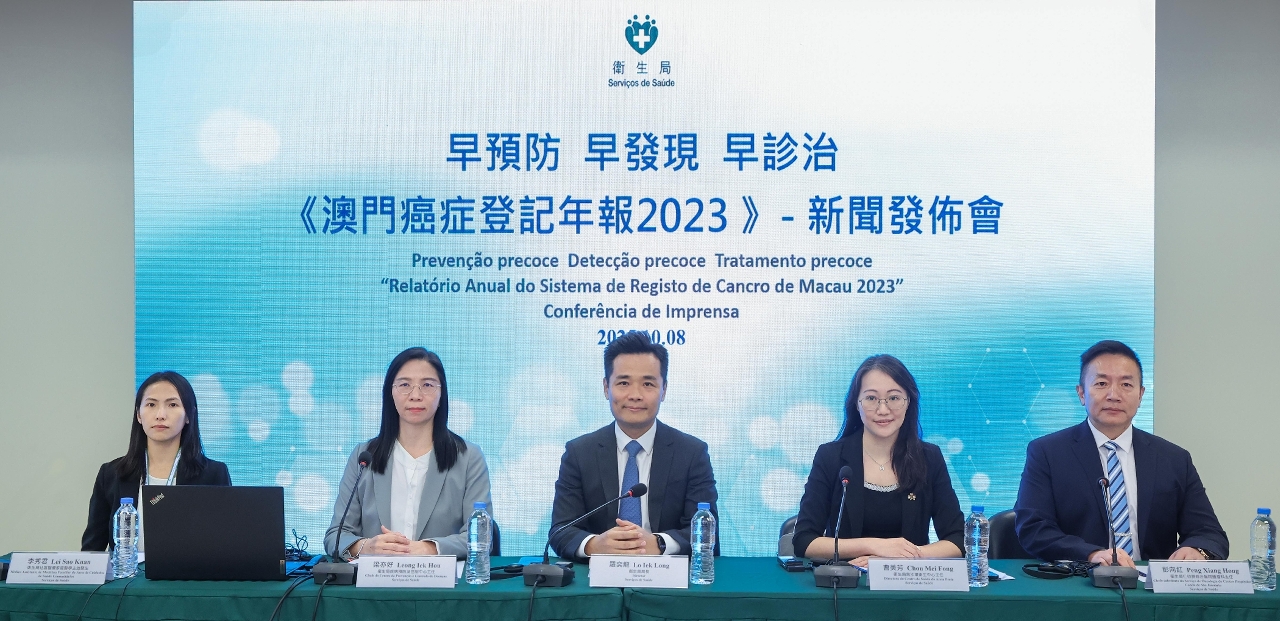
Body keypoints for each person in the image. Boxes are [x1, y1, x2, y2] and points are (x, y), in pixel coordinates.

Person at [1015, 340, 1228, 565]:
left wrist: (1197, 549)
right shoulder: (1047, 453)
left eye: (1126, 385)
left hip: (1149, 583)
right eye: (1101, 383)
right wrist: (1091, 554)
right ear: (1081, 394)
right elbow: (1034, 528)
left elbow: (1209, 533)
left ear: (1140, 395)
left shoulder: (1173, 459)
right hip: (1079, 579)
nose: (1114, 395)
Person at [549, 331, 719, 561]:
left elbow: (706, 531)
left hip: (667, 576)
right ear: (606, 388)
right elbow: (561, 530)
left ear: (664, 390)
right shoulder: (580, 453)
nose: (635, 395)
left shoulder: (691, 453)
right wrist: (595, 545)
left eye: (648, 384)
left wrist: (659, 543)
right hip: (598, 577)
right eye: (623, 383)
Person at [793, 355, 964, 565]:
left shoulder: (929, 458)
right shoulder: (831, 457)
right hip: (848, 580)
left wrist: (903, 557)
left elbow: (958, 540)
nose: (883, 410)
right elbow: (804, 541)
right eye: (871, 398)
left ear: (908, 402)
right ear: (857, 404)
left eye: (894, 398)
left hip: (909, 580)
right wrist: (874, 546)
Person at [325, 347, 491, 559]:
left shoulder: (468, 457)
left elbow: (482, 537)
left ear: (442, 393)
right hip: (377, 577)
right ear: (390, 392)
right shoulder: (364, 456)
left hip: (441, 578)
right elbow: (335, 536)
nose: (415, 395)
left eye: (427, 385)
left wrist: (429, 548)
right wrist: (367, 546)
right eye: (404, 385)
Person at [82, 371, 232, 551]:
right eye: (151, 404)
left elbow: (225, 546)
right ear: (138, 414)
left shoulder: (213, 474)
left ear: (189, 415)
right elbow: (92, 549)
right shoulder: (111, 474)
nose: (160, 415)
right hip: (128, 570)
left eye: (172, 404)